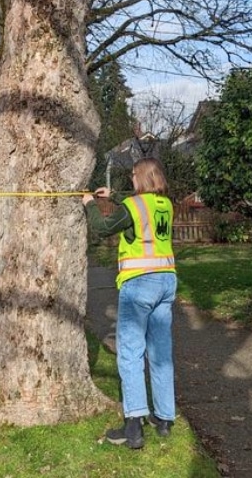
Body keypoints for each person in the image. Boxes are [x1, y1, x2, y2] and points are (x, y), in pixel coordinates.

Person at [82, 157, 177, 450]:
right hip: (167, 281)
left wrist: (89, 203)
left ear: (141, 178)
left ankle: (133, 425)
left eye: (134, 176)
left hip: (139, 284)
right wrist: (113, 196)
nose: (131, 181)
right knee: (161, 353)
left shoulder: (134, 207)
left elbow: (103, 227)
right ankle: (163, 418)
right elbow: (139, 204)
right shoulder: (166, 204)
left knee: (131, 352)